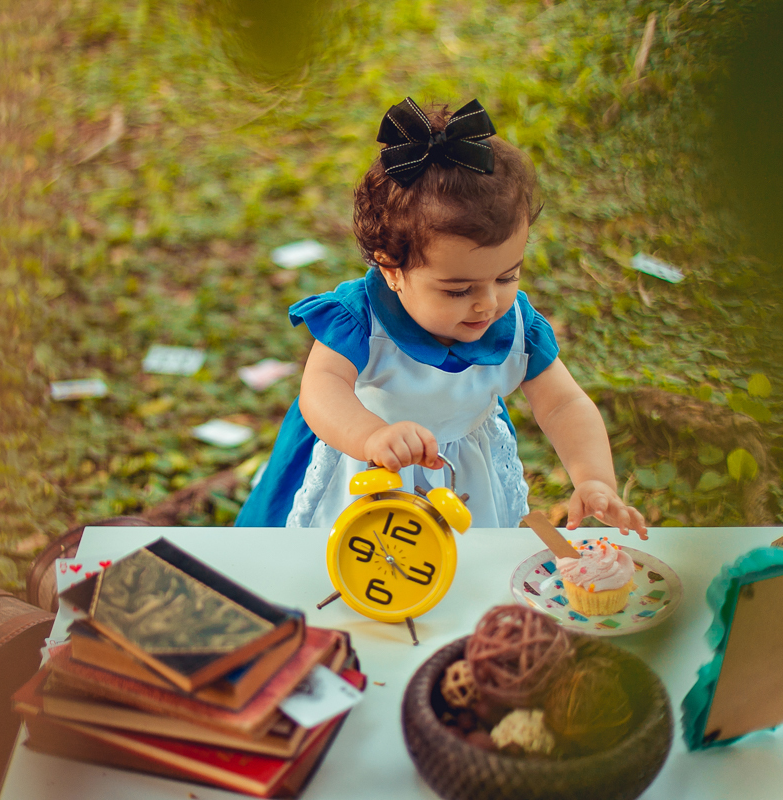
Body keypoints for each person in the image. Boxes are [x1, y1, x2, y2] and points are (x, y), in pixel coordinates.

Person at [236, 97, 647, 537]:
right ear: (392, 269)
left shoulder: (514, 329)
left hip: (463, 476)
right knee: (356, 555)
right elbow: (321, 388)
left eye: (507, 276)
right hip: (364, 471)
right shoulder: (362, 320)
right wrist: (371, 435)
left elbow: (563, 403)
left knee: (461, 558)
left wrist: (594, 478)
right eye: (458, 290)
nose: (487, 303)